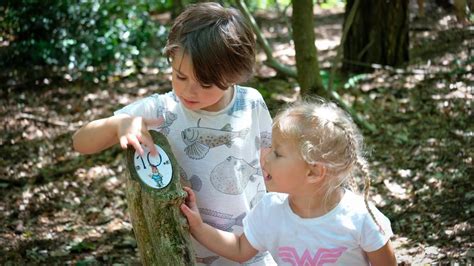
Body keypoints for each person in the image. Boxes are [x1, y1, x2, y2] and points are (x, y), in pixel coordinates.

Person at [72, 2, 275, 265]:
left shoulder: (251, 103)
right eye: (180, 77)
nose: (190, 91)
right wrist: (118, 125)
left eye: (205, 84)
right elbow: (80, 142)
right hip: (188, 255)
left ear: (234, 75)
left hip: (252, 250)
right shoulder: (160, 111)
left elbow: (268, 165)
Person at [181, 98, 397, 265]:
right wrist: (198, 226)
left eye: (277, 153)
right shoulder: (269, 210)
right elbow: (239, 249)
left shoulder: (360, 219)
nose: (264, 157)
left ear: (313, 172)